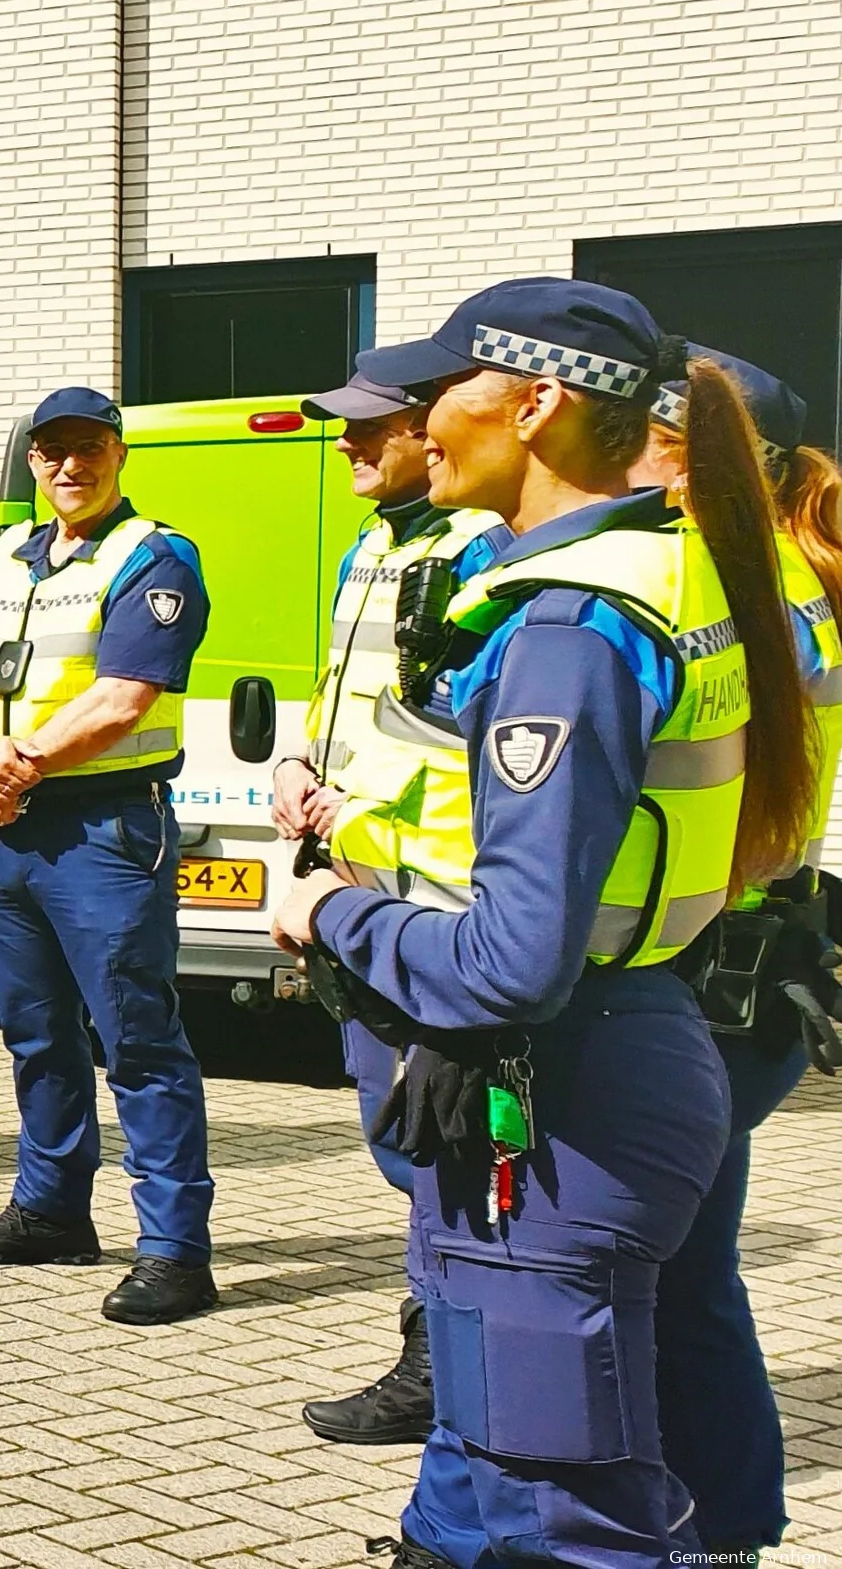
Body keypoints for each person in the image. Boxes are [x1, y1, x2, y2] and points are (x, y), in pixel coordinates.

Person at [272, 279, 812, 1568]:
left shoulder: (569, 627)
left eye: (441, 391)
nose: (421, 421)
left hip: (563, 1082)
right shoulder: (647, 568)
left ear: (536, 401)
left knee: (562, 1506)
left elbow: (513, 958)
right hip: (588, 1054)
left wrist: (332, 909)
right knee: (483, 1430)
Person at [0, 386, 218, 1324]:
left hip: (102, 830)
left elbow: (125, 697)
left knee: (137, 1040)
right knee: (34, 1032)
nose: (70, 466)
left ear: (119, 454)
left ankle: (176, 1251)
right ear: (32, 462)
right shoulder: (7, 557)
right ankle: (52, 1208)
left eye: (89, 448)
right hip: (9, 826)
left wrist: (15, 766)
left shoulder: (156, 556)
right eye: (53, 450)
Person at [275, 373, 508, 1442]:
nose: (349, 448)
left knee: (440, 1144)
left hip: (437, 893)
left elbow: (474, 741)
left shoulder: (478, 549)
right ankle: (460, 1346)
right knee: (399, 1135)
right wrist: (295, 759)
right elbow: (348, 692)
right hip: (364, 875)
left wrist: (358, 809)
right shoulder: (371, 547)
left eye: (369, 429)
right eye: (345, 432)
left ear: (430, 432)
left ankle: (451, 1358)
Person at [630, 347, 830, 1561]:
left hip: (707, 972)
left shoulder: (719, 578)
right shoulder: (786, 573)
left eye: (650, 430)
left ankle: (711, 1528)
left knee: (677, 1282)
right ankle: (716, 1521)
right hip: (749, 971)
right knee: (689, 1272)